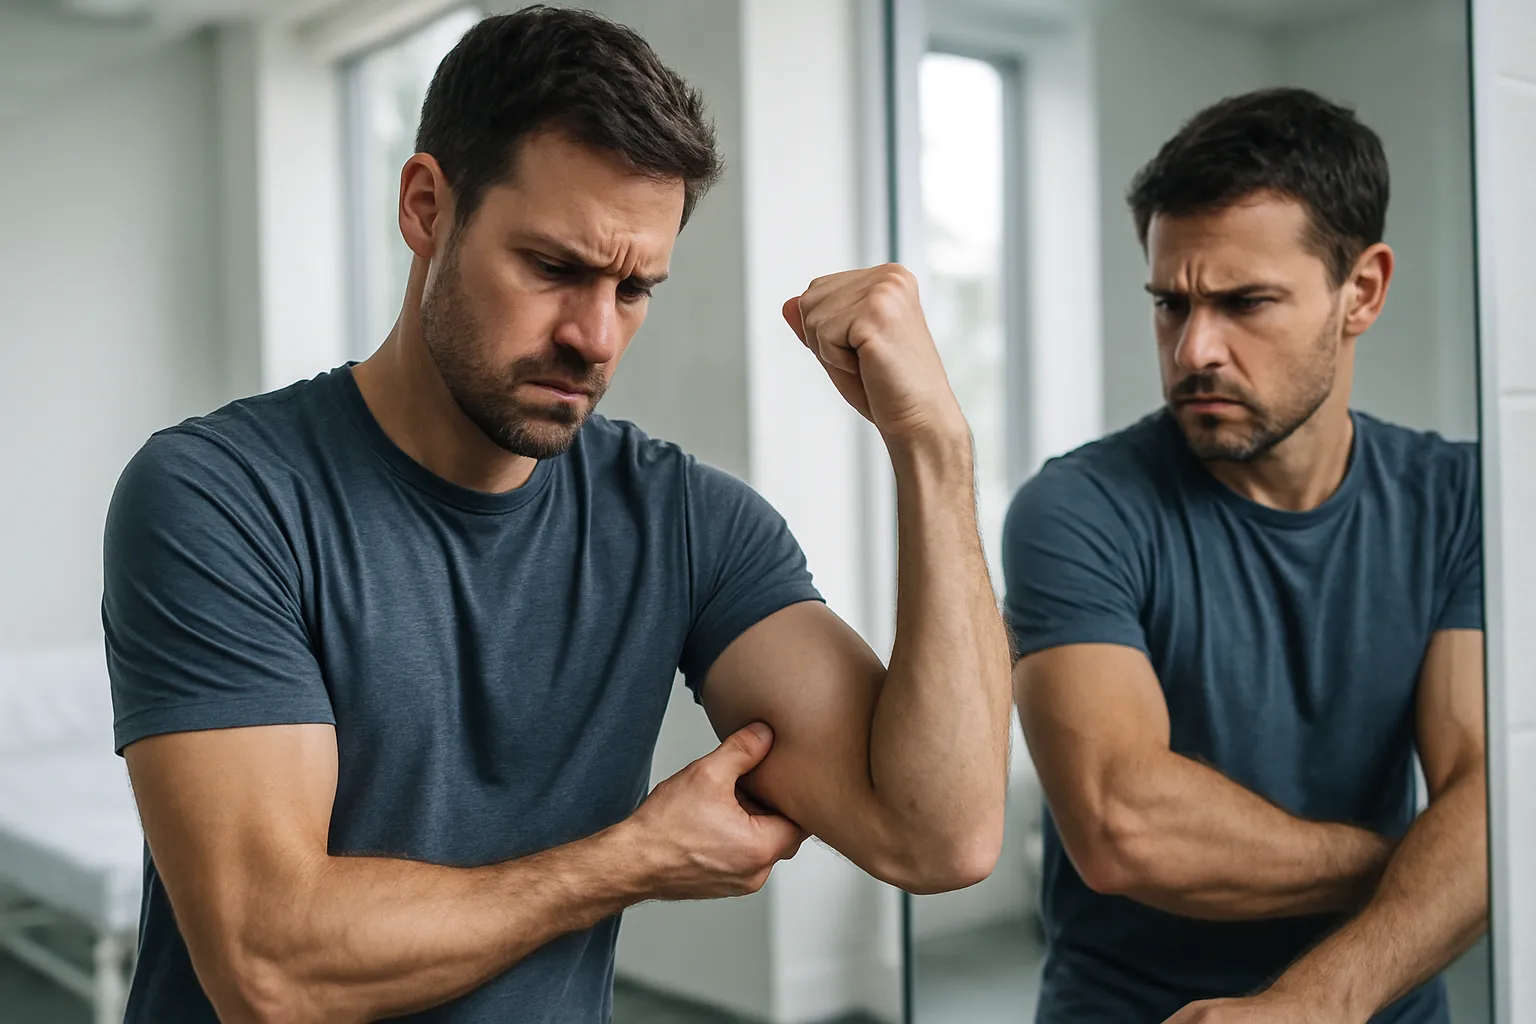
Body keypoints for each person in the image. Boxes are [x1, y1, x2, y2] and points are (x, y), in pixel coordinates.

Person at [102, 8, 1012, 1023]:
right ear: (426, 207)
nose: (595, 336)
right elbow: (270, 966)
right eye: (554, 268)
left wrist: (936, 448)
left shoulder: (684, 522)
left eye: (634, 288)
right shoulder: (221, 497)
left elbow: (937, 835)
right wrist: (632, 859)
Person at [1004, 87, 1486, 1024]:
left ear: (1363, 291)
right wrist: (1434, 864)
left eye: (1244, 302)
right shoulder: (1077, 508)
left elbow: (1488, 785)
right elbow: (1124, 827)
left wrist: (1313, 1002)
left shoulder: (1461, 499)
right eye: (1171, 304)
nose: (1195, 350)